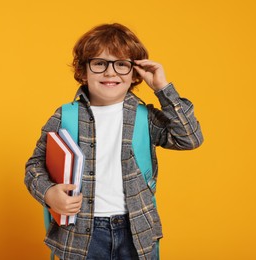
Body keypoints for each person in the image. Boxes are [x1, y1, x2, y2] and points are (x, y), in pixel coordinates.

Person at [24, 23, 203, 260]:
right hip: (80, 235)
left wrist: (162, 88)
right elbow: (34, 165)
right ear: (83, 71)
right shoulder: (65, 115)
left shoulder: (145, 117)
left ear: (135, 72)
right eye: (100, 63)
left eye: (121, 64)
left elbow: (189, 138)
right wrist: (48, 193)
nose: (110, 73)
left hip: (136, 231)